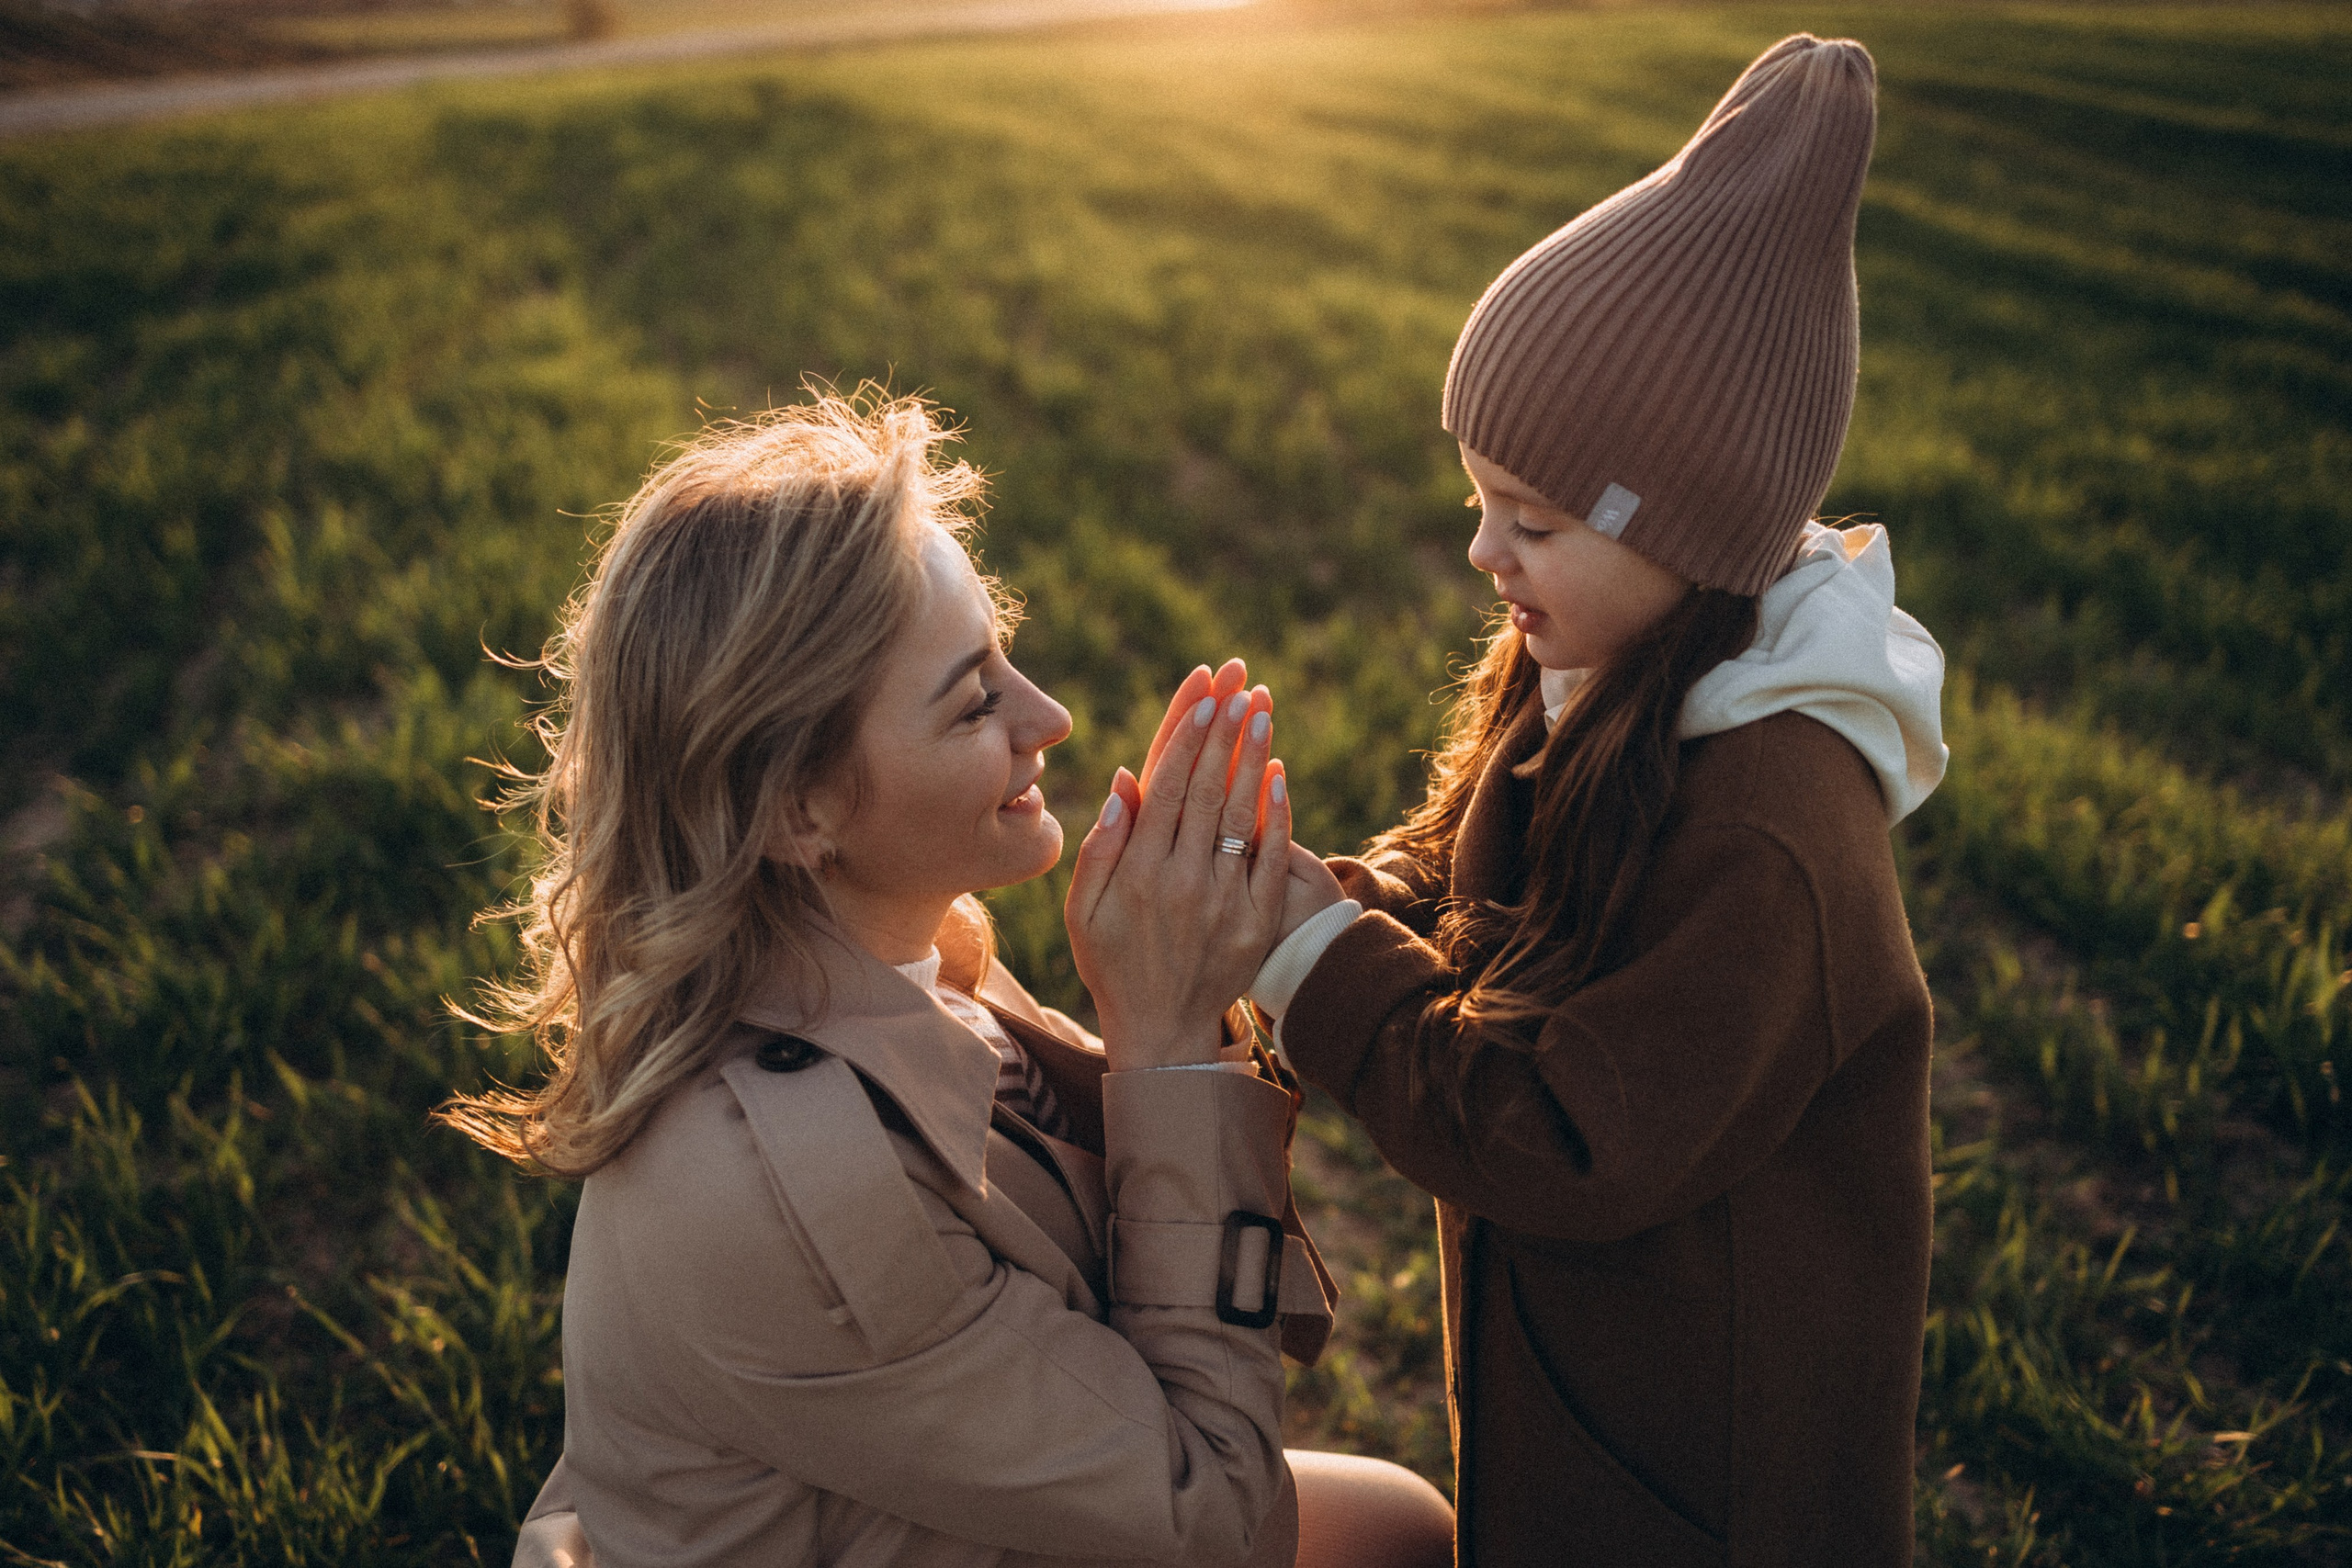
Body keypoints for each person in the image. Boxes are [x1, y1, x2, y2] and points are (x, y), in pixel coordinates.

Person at [445, 391, 1455, 1568]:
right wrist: (1168, 1044)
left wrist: (1197, 983)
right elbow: (1214, 1519)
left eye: (1004, 655)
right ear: (799, 808)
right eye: (976, 699)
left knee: (1395, 1527)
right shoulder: (793, 1191)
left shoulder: (885, 956)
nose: (1050, 717)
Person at [1240, 36, 1949, 1567]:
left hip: (1708, 1488)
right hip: (1586, 1412)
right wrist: (1343, 903)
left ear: (1690, 530)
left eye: (1535, 518)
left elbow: (1567, 1134)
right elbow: (1485, 875)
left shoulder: (1770, 829)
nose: (1484, 553)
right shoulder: (1602, 661)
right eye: (1478, 498)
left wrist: (1326, 974)